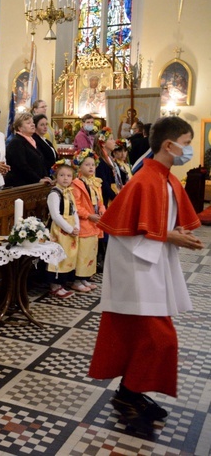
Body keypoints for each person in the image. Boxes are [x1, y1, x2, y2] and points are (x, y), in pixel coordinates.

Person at [89, 116, 203, 437]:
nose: (189, 149)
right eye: (186, 141)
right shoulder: (144, 180)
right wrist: (171, 236)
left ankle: (130, 394)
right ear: (169, 145)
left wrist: (176, 232)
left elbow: (159, 220)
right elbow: (127, 229)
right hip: (134, 268)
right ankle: (127, 396)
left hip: (151, 265)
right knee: (158, 338)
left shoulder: (164, 178)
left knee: (144, 338)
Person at [71, 149, 104, 292]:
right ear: (79, 167)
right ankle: (77, 279)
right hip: (85, 222)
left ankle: (85, 278)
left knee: (91, 251)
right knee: (83, 252)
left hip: (95, 223)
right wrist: (88, 215)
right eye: (87, 165)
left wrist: (102, 210)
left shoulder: (95, 182)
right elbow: (76, 205)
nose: (91, 168)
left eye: (93, 165)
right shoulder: (76, 184)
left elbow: (100, 201)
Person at [46, 160, 79, 299]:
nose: (65, 178)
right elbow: (55, 215)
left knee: (68, 256)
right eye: (61, 175)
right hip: (59, 230)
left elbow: (74, 210)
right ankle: (54, 284)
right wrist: (69, 228)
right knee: (58, 256)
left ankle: (62, 283)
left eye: (68, 175)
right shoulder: (55, 194)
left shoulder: (69, 192)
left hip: (70, 229)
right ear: (56, 176)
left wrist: (77, 226)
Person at [5, 112, 51, 187]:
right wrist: (38, 179)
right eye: (28, 123)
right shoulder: (16, 142)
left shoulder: (32, 140)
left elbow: (40, 161)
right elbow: (22, 166)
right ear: (20, 127)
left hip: (33, 184)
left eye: (33, 122)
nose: (33, 124)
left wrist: (45, 176)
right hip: (20, 186)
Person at [94, 127, 122, 205]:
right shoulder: (100, 161)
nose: (114, 142)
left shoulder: (109, 158)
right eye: (111, 139)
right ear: (103, 143)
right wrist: (115, 197)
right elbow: (104, 183)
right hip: (107, 199)